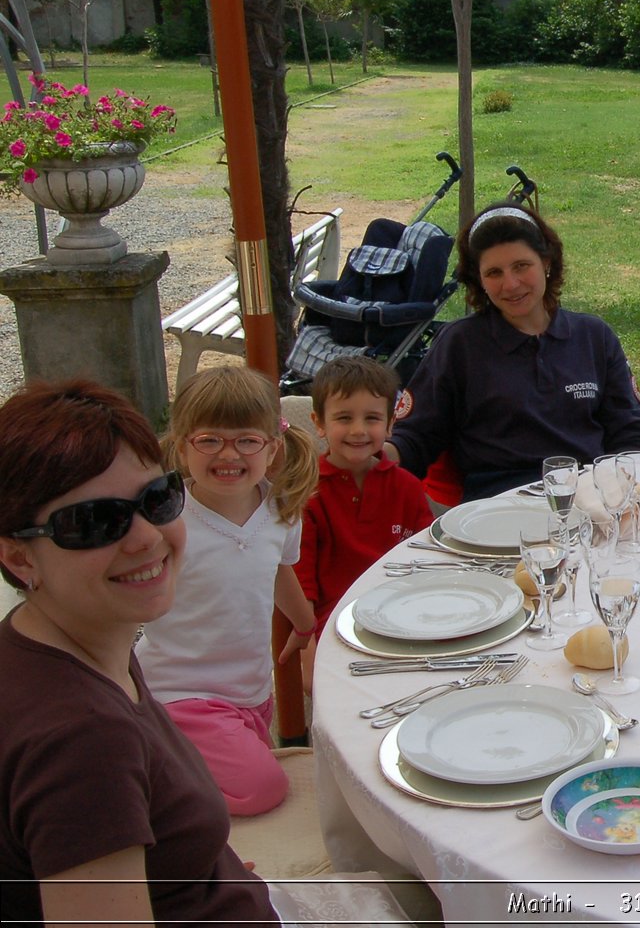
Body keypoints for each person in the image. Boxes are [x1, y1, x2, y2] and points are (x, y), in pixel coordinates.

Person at [0, 379, 276, 925]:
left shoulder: (63, 642)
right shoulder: (81, 740)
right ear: (19, 558)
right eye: (95, 522)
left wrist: (196, 871)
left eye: (157, 499)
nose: (145, 537)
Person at [136, 364, 320, 817]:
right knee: (262, 789)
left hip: (250, 690)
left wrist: (303, 624)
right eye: (210, 439)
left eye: (246, 440)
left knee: (250, 773)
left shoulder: (280, 508)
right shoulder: (167, 518)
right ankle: (156, 797)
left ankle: (166, 769)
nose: (228, 453)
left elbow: (278, 571)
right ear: (182, 446)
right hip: (179, 690)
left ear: (272, 447)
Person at [388, 202, 640, 501]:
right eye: (494, 272)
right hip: (498, 508)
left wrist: (620, 495)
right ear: (479, 280)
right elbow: (417, 436)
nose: (510, 284)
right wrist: (375, 455)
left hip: (589, 500)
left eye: (521, 266)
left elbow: (628, 432)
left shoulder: (594, 336)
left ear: (547, 262)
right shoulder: (459, 343)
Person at [294, 357, 434, 679]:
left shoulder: (407, 487)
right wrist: (308, 648)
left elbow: (428, 559)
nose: (358, 431)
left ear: (389, 425)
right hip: (336, 625)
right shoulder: (307, 494)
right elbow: (302, 586)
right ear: (319, 423)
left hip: (406, 616)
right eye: (344, 418)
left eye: (371, 418)